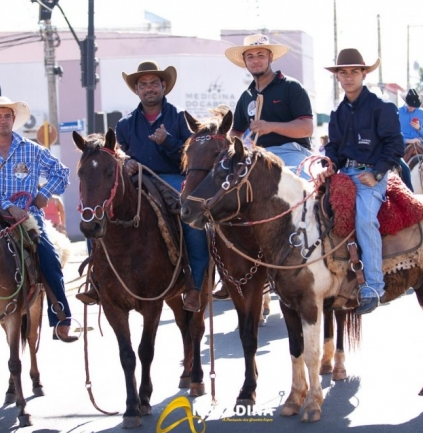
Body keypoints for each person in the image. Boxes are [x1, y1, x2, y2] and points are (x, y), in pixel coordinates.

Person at [0, 96, 77, 342]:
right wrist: (7, 206)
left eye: (7, 116)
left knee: (49, 257)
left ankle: (61, 317)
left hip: (29, 217)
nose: (3, 120)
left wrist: (43, 194)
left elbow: (62, 172)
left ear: (14, 120)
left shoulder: (31, 149)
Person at [114, 61, 209, 312]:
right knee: (101, 210)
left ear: (164, 86)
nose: (149, 89)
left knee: (193, 218)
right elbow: (118, 153)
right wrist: (126, 161)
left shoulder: (180, 119)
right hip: (136, 180)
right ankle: (99, 279)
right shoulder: (124, 125)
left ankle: (195, 287)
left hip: (173, 178)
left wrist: (168, 142)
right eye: (143, 84)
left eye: (154, 83)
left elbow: (193, 155)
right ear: (137, 90)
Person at [322, 49, 404, 315]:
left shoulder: (382, 107)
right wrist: (328, 163)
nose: (348, 77)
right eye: (343, 73)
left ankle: (374, 287)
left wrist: (378, 173)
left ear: (364, 73)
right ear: (337, 77)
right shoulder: (337, 113)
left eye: (354, 72)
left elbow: (394, 144)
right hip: (343, 175)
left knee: (366, 219)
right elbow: (333, 147)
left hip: (371, 175)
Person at [225, 33, 314, 179]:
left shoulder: (291, 87)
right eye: (250, 56)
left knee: (301, 189)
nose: (256, 61)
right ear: (245, 61)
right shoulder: (246, 97)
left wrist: (270, 126)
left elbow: (307, 128)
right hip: (257, 156)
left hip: (292, 152)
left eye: (261, 55)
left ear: (270, 57)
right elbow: (235, 133)